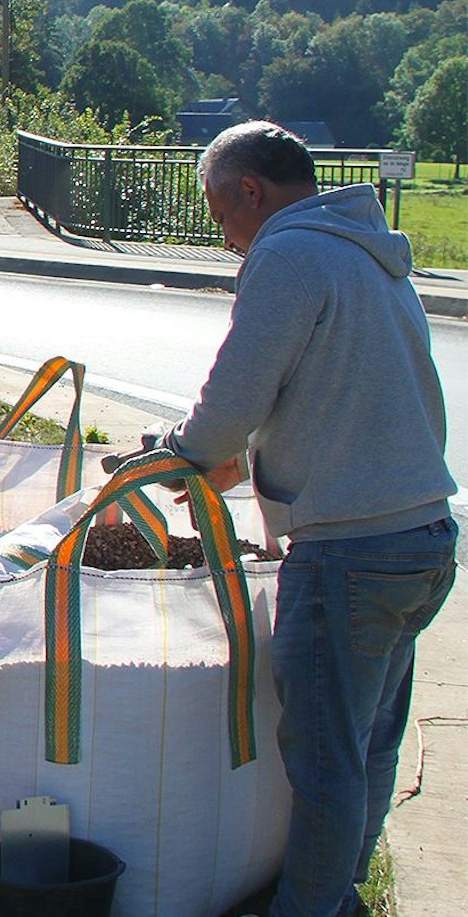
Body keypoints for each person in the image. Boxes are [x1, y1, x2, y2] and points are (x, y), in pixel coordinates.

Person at [160, 120, 456, 917]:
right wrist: (247, 459)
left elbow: (233, 396)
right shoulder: (367, 253)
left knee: (324, 762)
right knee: (368, 744)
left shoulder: (287, 253)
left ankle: (311, 908)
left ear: (251, 191)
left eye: (223, 214)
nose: (226, 239)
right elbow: (341, 397)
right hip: (422, 537)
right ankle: (340, 894)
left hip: (349, 554)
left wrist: (182, 450)